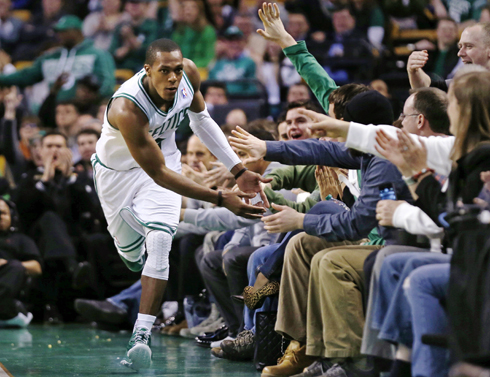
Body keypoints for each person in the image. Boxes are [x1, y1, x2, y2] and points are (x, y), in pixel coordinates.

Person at [93, 38, 270, 370]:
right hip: (119, 175)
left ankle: (140, 336)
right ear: (147, 71)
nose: (173, 78)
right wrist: (221, 198)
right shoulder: (126, 108)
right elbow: (157, 174)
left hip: (163, 161)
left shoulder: (189, 75)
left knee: (160, 239)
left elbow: (202, 122)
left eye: (176, 69)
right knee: (132, 258)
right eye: (164, 71)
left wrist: (239, 170)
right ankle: (134, 232)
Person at [0, 15, 116, 102]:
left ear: (77, 32)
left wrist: (93, 100)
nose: (60, 35)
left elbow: (107, 83)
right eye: (58, 32)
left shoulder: (97, 54)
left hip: (86, 111)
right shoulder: (50, 57)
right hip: (54, 111)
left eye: (64, 31)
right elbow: (26, 76)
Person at [407, 22, 490, 91]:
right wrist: (414, 71)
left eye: (469, 46)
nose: (460, 53)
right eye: (460, 46)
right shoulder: (464, 84)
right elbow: (428, 89)